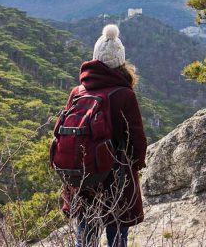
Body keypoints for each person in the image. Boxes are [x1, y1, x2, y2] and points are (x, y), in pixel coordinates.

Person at [61, 24, 147, 247]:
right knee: (117, 236)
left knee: (86, 235)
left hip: (82, 178)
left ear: (95, 58)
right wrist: (135, 167)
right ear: (121, 61)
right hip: (115, 177)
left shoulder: (78, 92)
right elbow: (137, 139)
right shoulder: (124, 94)